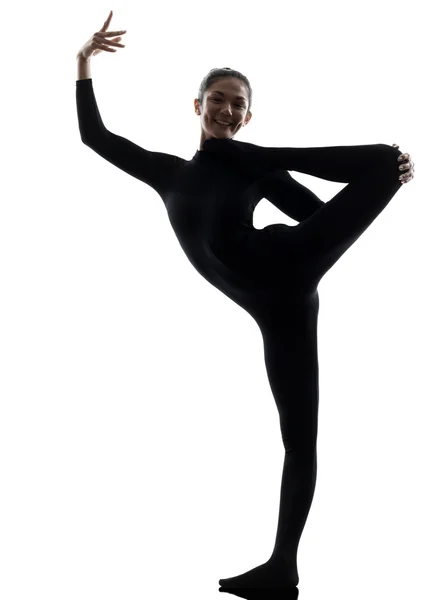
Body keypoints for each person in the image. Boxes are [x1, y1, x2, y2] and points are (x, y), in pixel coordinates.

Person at [76, 11, 415, 590]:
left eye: (239, 104)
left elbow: (316, 214)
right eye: (219, 98)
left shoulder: (254, 168)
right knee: (298, 436)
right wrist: (81, 63)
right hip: (278, 308)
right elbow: (95, 138)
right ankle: (283, 571)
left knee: (386, 160)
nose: (228, 109)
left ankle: (284, 565)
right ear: (198, 104)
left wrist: (263, 160)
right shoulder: (169, 175)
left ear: (248, 115)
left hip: (288, 265)